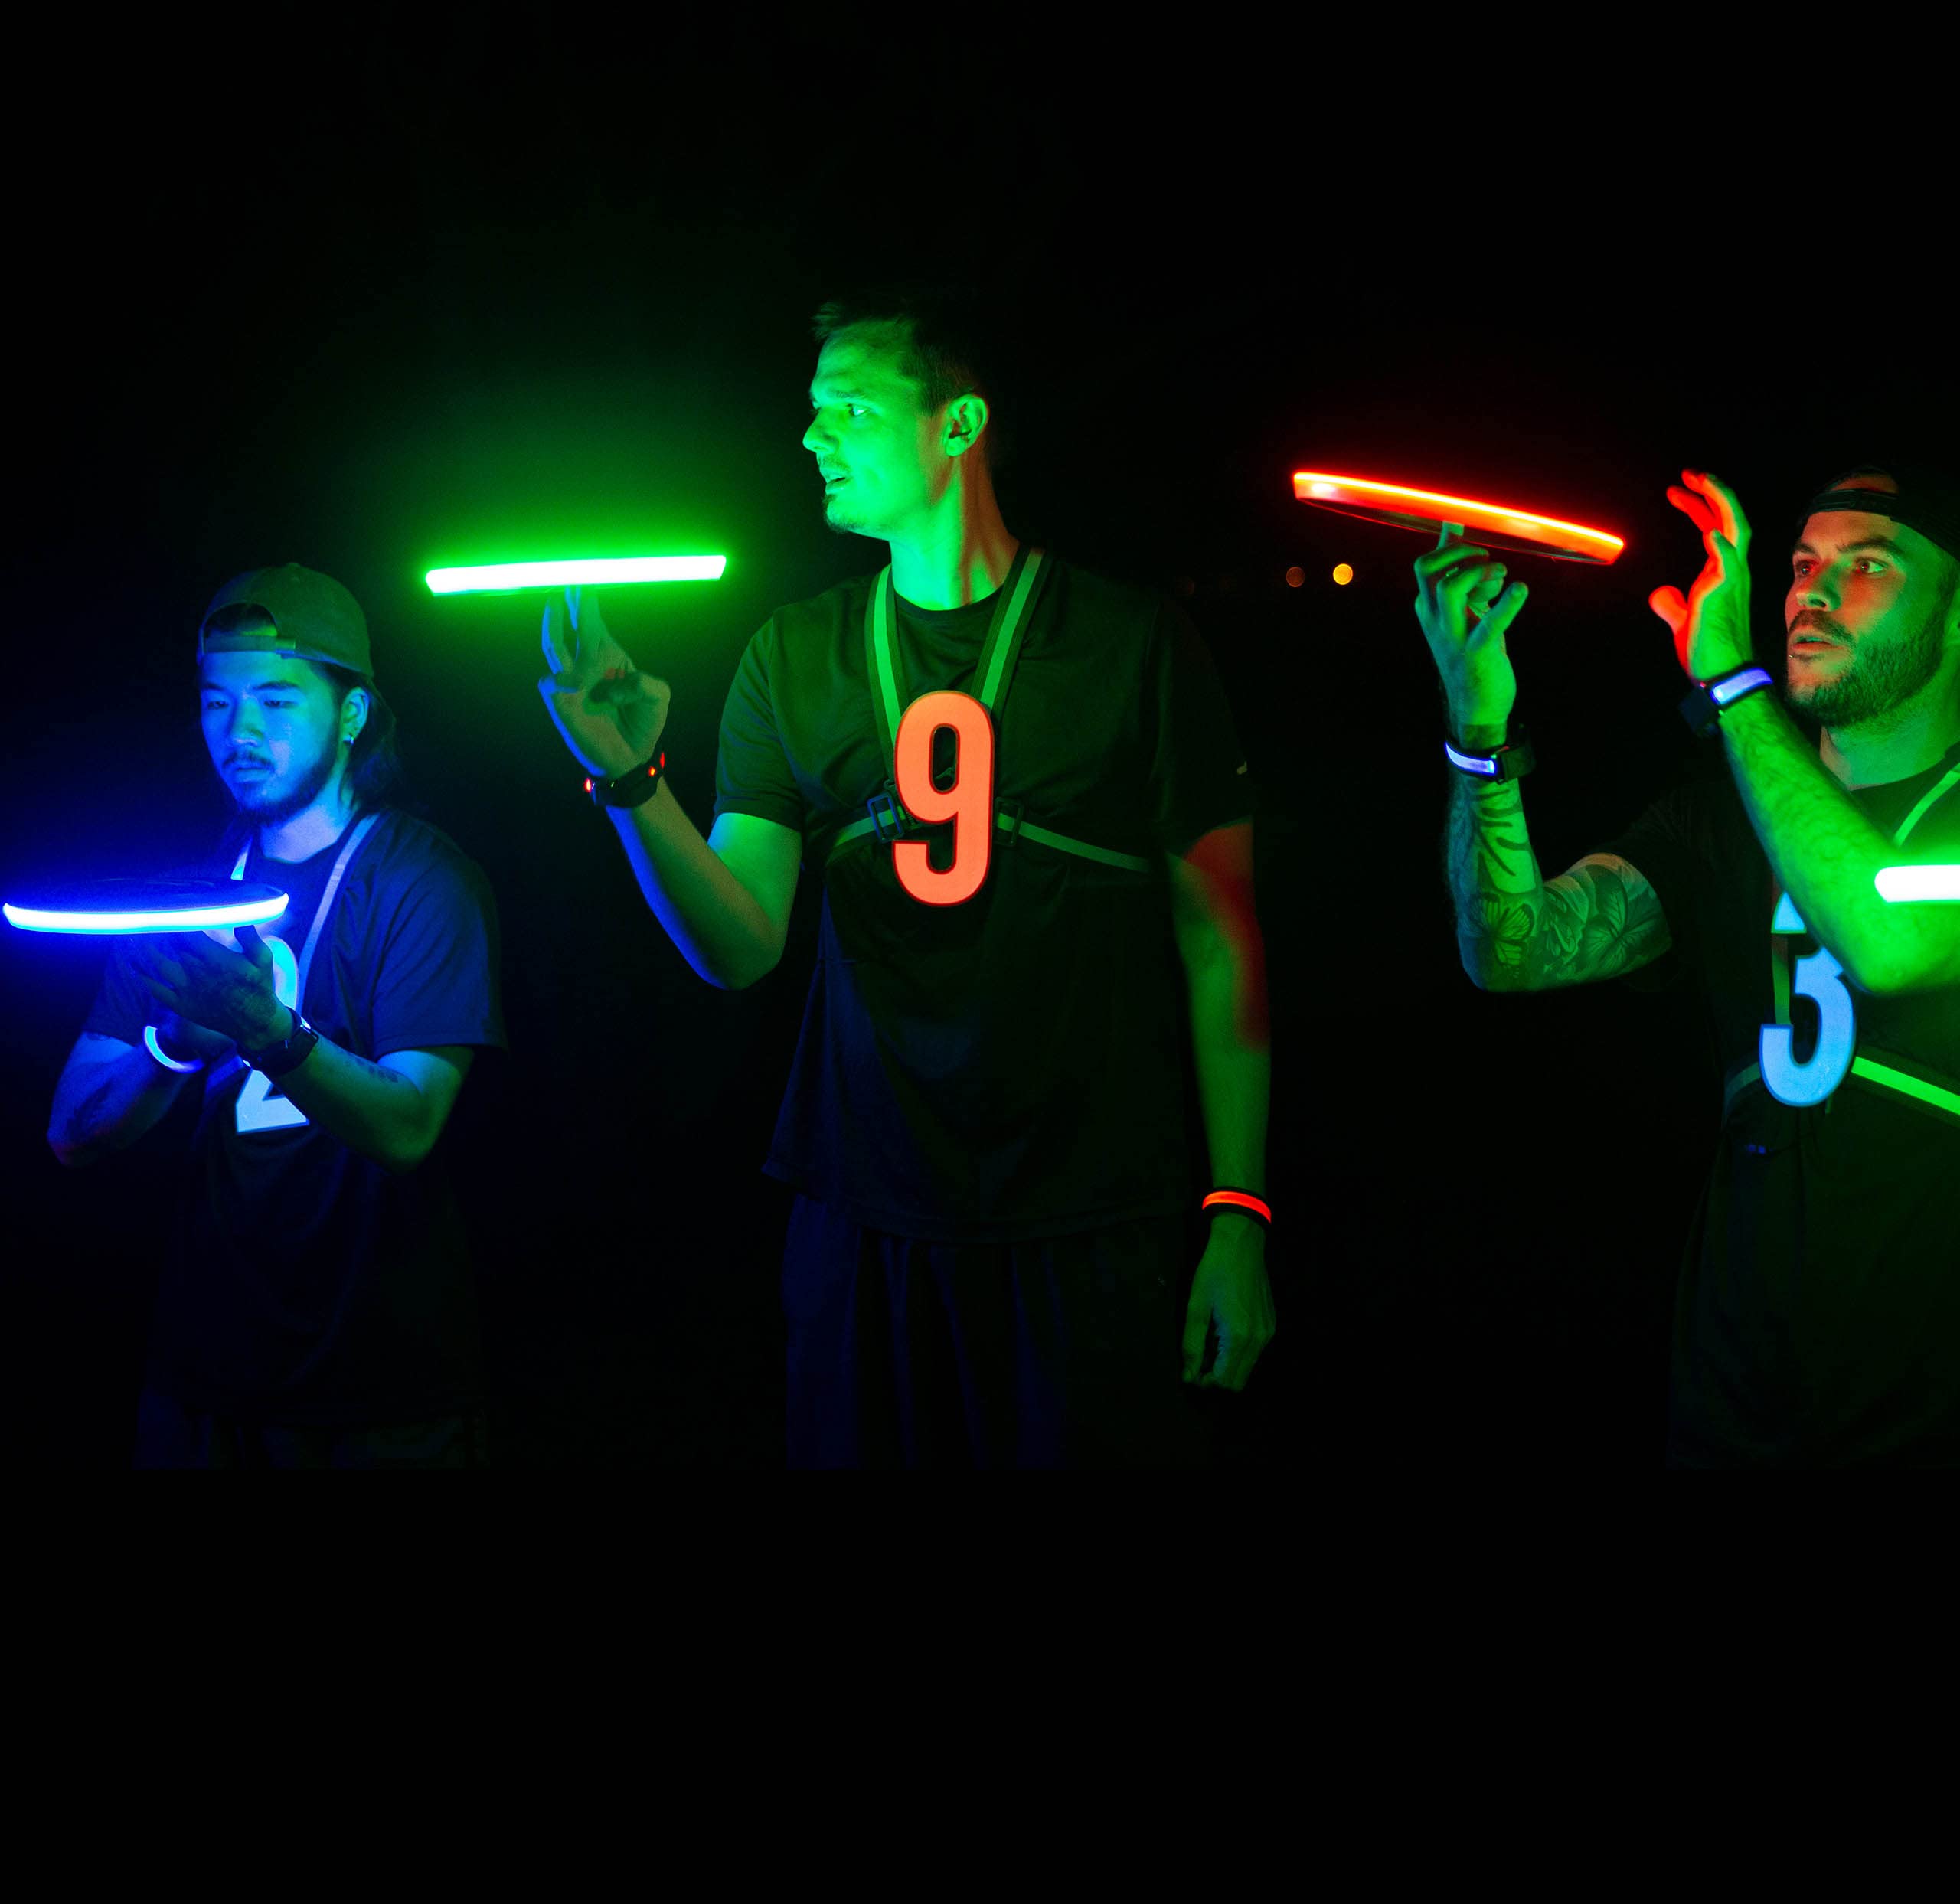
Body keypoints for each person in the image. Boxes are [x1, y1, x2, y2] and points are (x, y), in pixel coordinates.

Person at [536, 282, 1276, 1466]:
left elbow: (1222, 943)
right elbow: (740, 947)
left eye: (851, 409)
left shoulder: (1129, 639)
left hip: (1089, 1214)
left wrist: (1238, 1216)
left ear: (958, 424)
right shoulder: (793, 652)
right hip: (864, 1210)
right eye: (812, 409)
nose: (811, 436)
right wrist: (631, 781)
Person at [1423, 458, 1960, 1466]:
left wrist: (1734, 684)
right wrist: (1476, 732)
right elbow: (1511, 951)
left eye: (1868, 565)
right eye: (1801, 566)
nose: (1814, 594)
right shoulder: (1716, 817)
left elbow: (1888, 940)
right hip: (1732, 1403)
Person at [47, 563, 506, 1468]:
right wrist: (174, 1046)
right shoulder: (184, 901)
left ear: (352, 713)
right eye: (217, 703)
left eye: (276, 700)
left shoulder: (420, 878)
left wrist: (266, 1031)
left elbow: (409, 1125)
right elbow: (71, 1130)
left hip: (383, 1392)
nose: (240, 732)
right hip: (202, 1380)